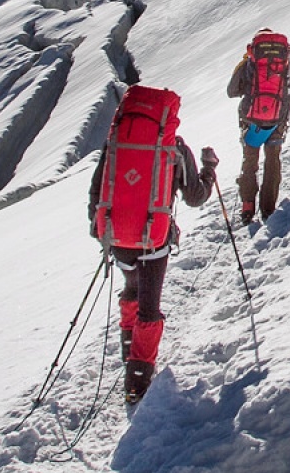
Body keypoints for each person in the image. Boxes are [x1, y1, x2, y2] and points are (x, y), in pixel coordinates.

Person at [88, 83, 216, 405]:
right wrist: (209, 170)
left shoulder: (115, 143)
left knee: (131, 289)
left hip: (117, 236)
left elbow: (97, 191)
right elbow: (195, 197)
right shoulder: (174, 147)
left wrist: (101, 228)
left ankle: (129, 352)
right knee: (149, 306)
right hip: (154, 240)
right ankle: (138, 380)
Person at [226, 29, 290, 224]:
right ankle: (268, 209)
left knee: (250, 161)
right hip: (277, 120)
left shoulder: (248, 63)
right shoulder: (283, 64)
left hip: (251, 121)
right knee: (272, 161)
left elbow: (231, 91)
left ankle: (247, 207)